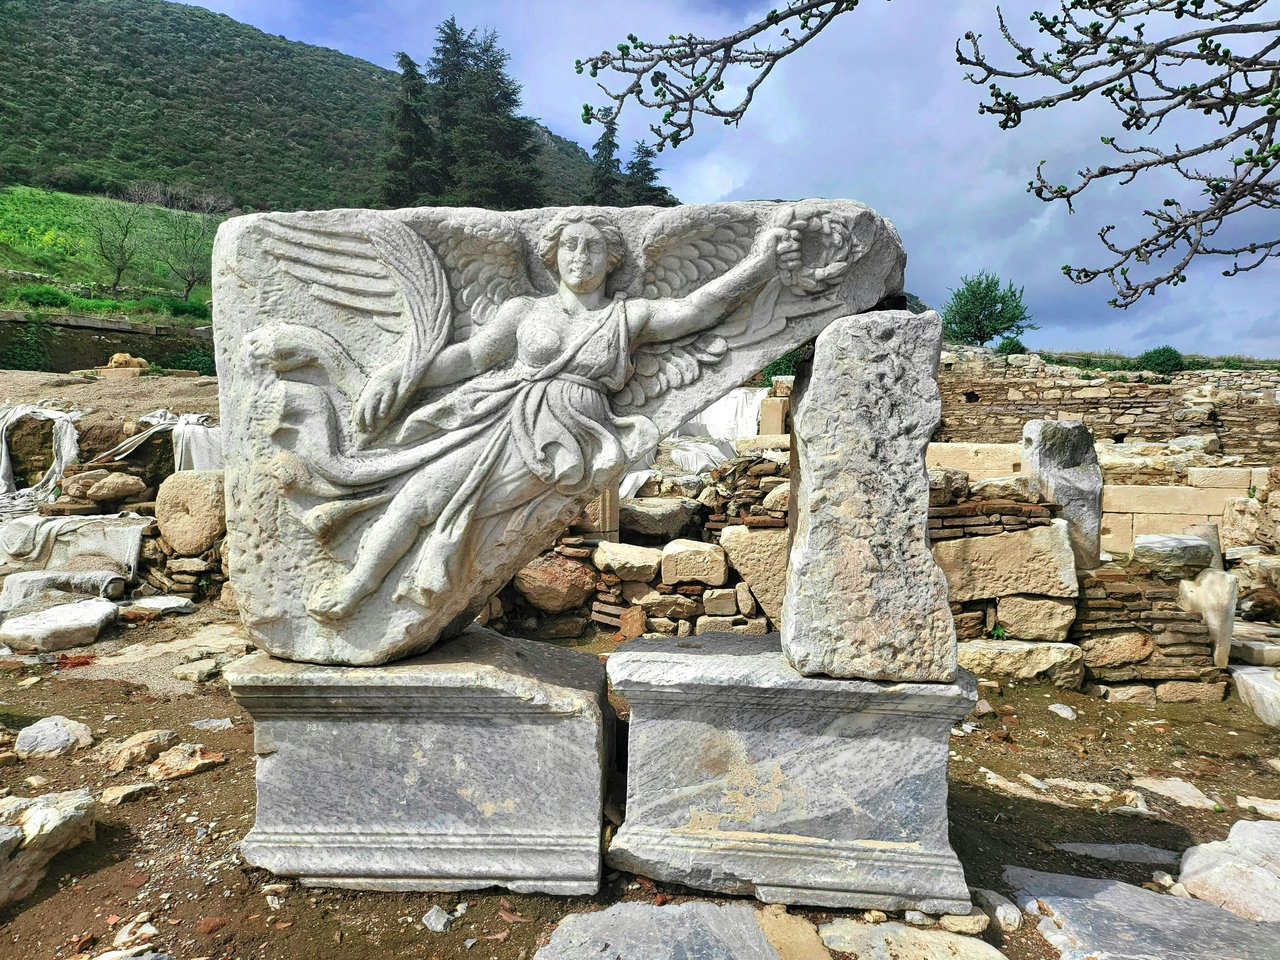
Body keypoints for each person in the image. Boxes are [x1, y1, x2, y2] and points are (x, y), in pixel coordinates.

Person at [306, 208, 802, 621]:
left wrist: (761, 263)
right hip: (498, 411)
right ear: (552, 255)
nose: (578, 256)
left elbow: (698, 309)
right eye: (569, 246)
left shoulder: (628, 316)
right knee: (418, 495)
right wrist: (404, 372)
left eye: (590, 247)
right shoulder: (525, 310)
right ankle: (356, 588)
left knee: (463, 508)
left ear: (611, 258)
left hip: (566, 435)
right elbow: (471, 357)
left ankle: (417, 589)